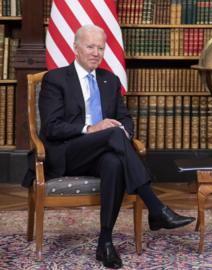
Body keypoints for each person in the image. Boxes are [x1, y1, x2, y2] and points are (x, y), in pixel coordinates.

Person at [22, 25, 195, 269]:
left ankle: (105, 242)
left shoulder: (109, 80)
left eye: (100, 48)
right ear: (75, 47)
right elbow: (51, 127)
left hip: (101, 152)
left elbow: (125, 119)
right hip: (65, 153)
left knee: (114, 161)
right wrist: (89, 128)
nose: (96, 52)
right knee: (112, 135)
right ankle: (156, 208)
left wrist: (123, 132)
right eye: (90, 46)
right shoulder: (56, 79)